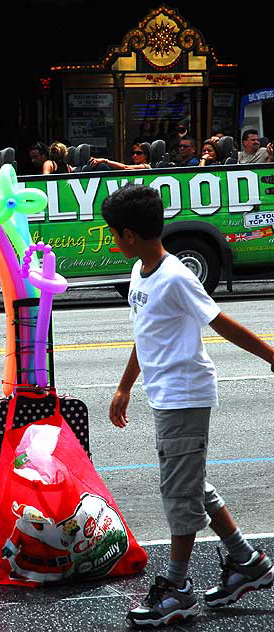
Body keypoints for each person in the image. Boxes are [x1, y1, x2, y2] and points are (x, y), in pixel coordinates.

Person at [101, 183, 274, 628]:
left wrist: (273, 356)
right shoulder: (142, 272)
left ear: (129, 234)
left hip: (185, 395)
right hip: (165, 396)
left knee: (179, 492)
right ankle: (247, 562)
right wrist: (124, 387)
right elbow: (146, 335)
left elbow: (220, 322)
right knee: (191, 484)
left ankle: (177, 589)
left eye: (112, 234)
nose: (112, 241)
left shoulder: (176, 276)